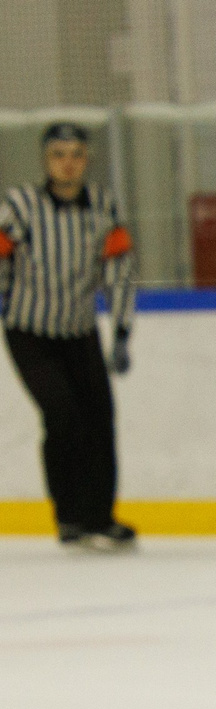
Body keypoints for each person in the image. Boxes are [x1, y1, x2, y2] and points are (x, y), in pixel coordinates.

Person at [0, 121, 138, 551]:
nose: (68, 163)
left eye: (77, 154)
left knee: (100, 418)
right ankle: (69, 517)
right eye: (59, 155)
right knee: (62, 416)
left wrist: (120, 330)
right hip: (28, 330)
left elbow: (119, 271)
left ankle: (100, 517)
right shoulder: (19, 205)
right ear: (46, 160)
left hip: (79, 332)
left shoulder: (103, 205)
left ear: (87, 160)